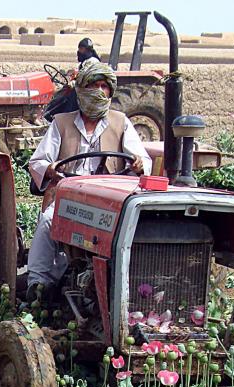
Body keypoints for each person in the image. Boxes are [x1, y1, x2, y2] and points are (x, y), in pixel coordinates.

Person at [27, 61, 152, 291]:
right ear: (82, 89)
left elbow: (144, 162)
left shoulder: (121, 123)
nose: (99, 91)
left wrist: (138, 164)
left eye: (104, 86)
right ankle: (38, 285)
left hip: (108, 200)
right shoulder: (61, 123)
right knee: (47, 221)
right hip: (70, 197)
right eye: (94, 85)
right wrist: (51, 168)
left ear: (110, 91)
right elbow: (37, 162)